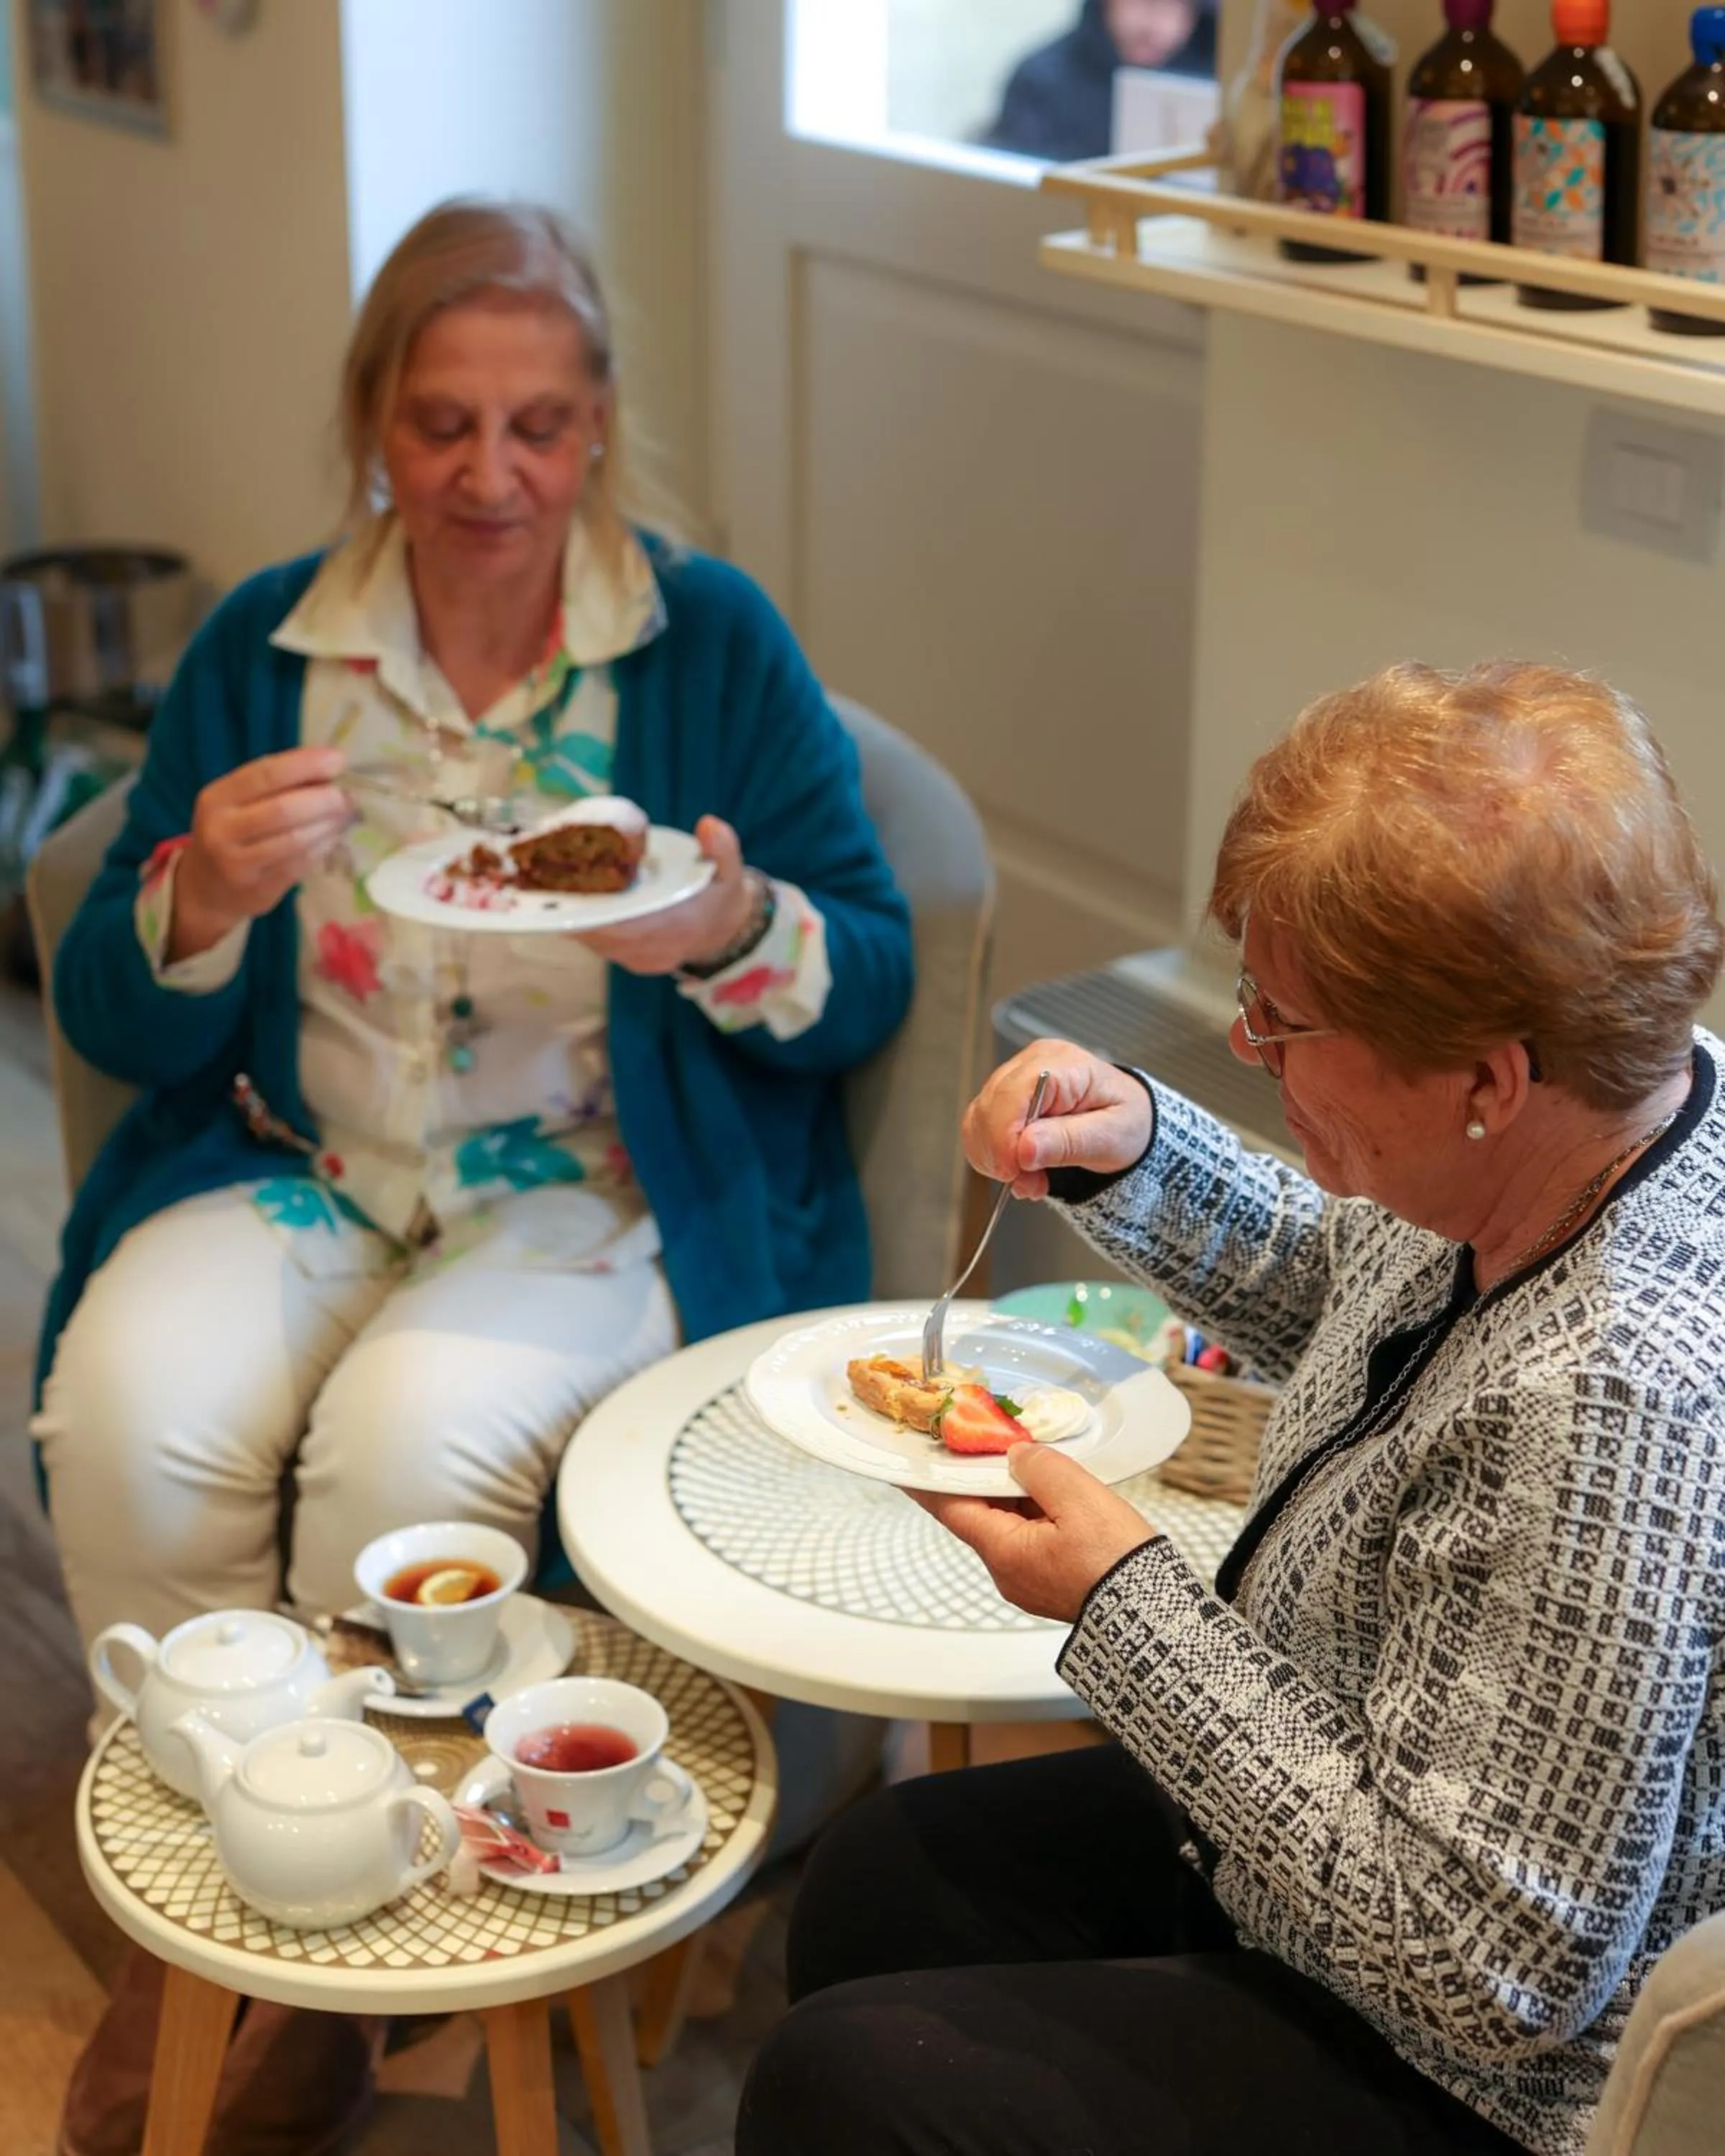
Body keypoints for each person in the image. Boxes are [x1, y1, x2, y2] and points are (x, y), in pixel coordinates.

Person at [40, 197, 911, 2156]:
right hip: (299, 1163)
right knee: (124, 1417)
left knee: (400, 1462)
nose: (492, 474)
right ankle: (214, 1938)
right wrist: (196, 890)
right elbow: (112, 997)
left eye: (538, 424)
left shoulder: (706, 647)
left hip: (584, 1185)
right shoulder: (272, 652)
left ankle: (389, 1922)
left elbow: (868, 969)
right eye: (444, 423)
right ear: (377, 424)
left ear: (599, 423)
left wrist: (716, 921)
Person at [737, 662, 1725, 2156]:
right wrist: (1129, 1152)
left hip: (1478, 2081)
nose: (1251, 1049)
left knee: (847, 2083)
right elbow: (1363, 1293)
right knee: (881, 1882)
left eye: (1285, 1023)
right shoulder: (1600, 1100)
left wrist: (1119, 1601)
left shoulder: (1619, 1401)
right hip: (1326, 1822)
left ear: (1488, 1080)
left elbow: (1491, 1974)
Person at [983, 0, 1218, 163]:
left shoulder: (1214, 79)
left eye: (1180, 12)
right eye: (1147, 4)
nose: (1160, 28)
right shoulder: (1040, 80)